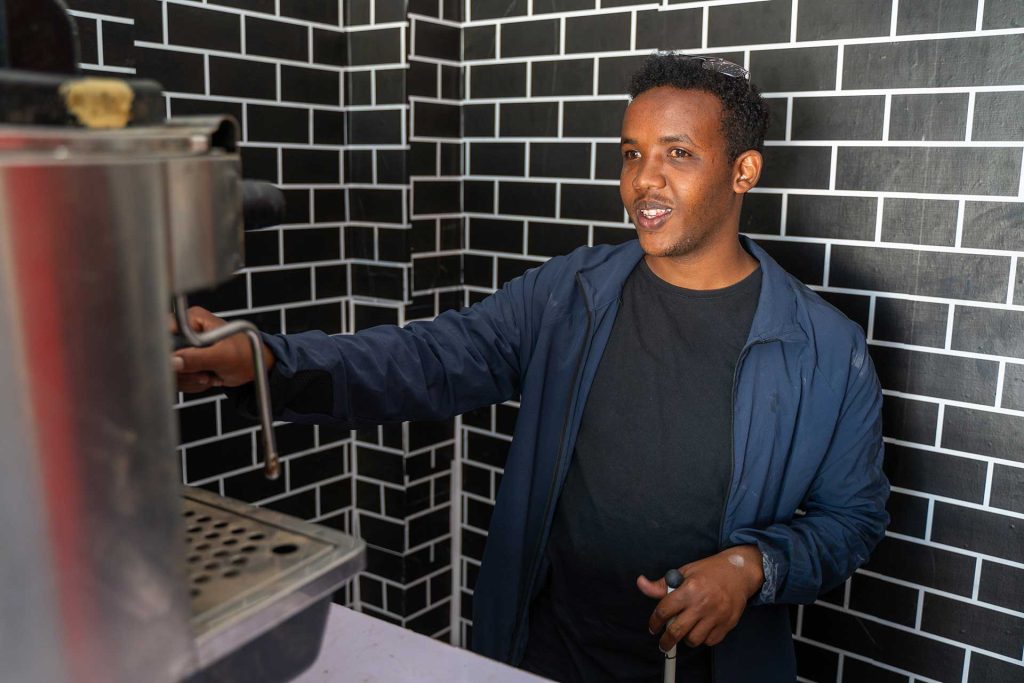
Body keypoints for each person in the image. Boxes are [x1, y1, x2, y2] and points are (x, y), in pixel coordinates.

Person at [173, 52, 889, 682]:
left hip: (713, 667)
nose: (644, 181)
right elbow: (429, 357)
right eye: (631, 153)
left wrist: (751, 567)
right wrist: (268, 359)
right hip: (547, 650)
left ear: (743, 170)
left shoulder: (826, 347)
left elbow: (853, 520)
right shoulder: (568, 295)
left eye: (677, 154)